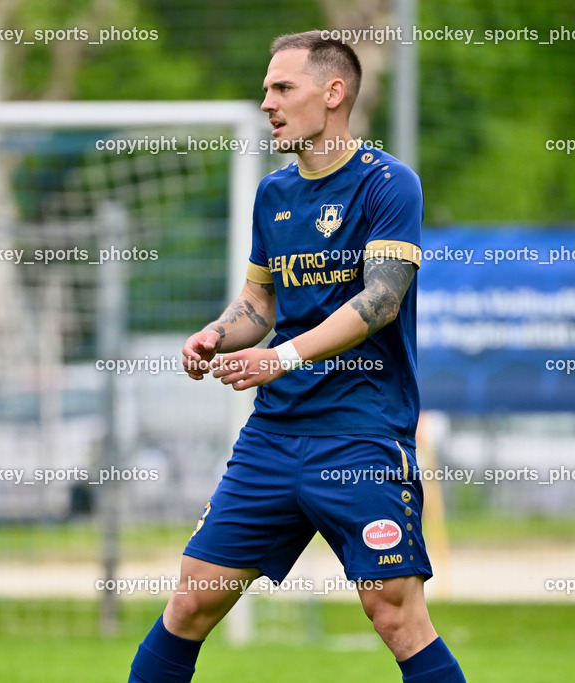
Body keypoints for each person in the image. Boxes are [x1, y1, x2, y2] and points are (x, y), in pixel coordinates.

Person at [128, 31, 465, 682]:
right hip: (274, 436)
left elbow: (382, 301)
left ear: (333, 93)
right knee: (191, 600)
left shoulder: (390, 186)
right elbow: (260, 302)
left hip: (361, 434)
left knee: (394, 614)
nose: (267, 104)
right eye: (265, 90)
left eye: (282, 88)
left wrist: (280, 359)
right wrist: (217, 334)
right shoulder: (273, 194)